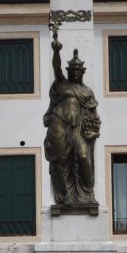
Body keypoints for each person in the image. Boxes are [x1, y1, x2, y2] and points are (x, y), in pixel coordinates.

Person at [43, 37, 100, 207]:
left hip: (79, 128)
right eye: (72, 70)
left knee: (83, 156)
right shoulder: (62, 84)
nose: (75, 72)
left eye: (78, 70)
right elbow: (56, 67)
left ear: (82, 72)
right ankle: (65, 196)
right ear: (69, 72)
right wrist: (56, 51)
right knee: (61, 159)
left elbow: (93, 114)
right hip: (60, 125)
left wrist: (93, 130)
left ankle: (88, 194)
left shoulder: (87, 92)